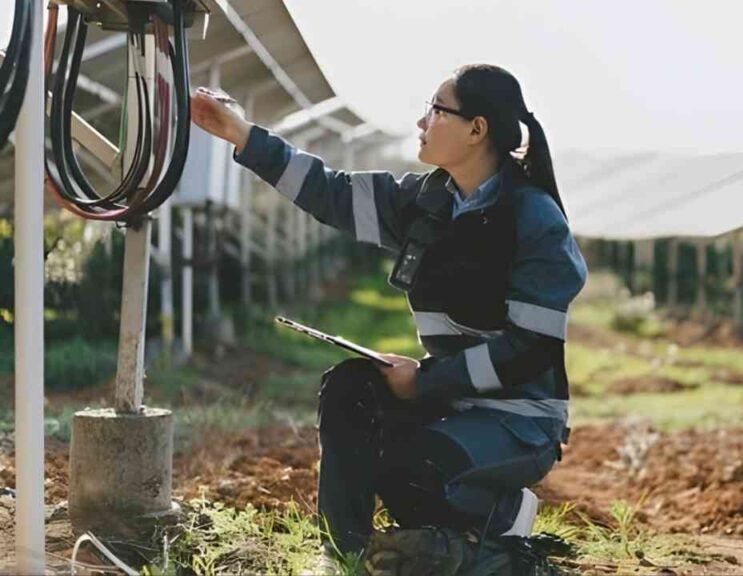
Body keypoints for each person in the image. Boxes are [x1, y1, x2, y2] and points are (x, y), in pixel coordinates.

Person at [190, 64, 587, 574]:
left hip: (519, 418)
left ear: (476, 129)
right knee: (350, 389)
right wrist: (241, 135)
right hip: (453, 399)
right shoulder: (424, 203)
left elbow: (529, 348)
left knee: (411, 474)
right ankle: (346, 557)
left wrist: (427, 381)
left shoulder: (534, 220)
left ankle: (504, 524)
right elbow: (328, 191)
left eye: (436, 109)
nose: (422, 122)